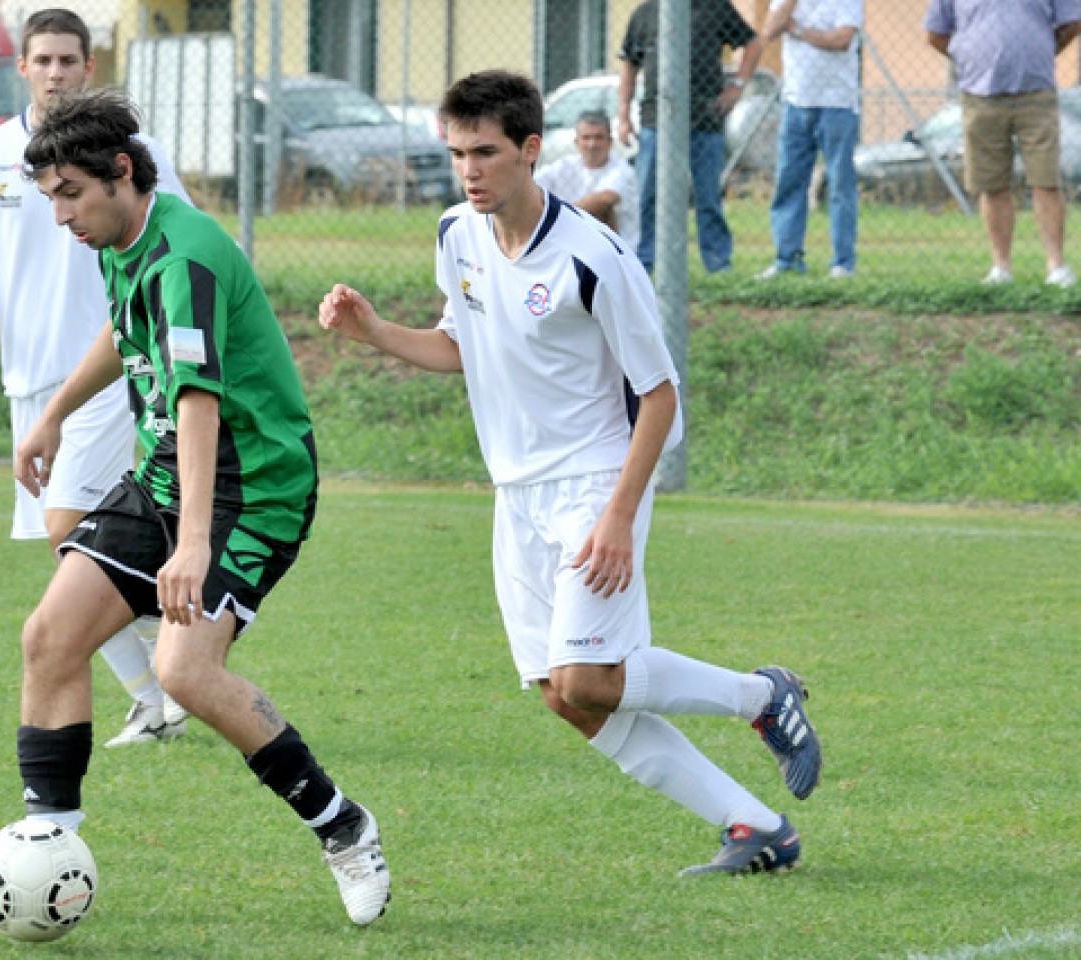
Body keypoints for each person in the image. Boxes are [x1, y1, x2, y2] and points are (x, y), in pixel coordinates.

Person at [319, 70, 823, 877]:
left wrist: (620, 513)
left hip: (596, 480)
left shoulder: (596, 256)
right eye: (456, 154)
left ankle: (762, 697)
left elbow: (659, 397)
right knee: (566, 695)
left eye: (485, 152)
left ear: (530, 150)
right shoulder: (456, 233)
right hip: (515, 493)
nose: (469, 170)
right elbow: (462, 344)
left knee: (588, 674)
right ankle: (754, 826)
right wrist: (374, 330)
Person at [0, 86, 391, 926]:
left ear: (121, 172)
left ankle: (343, 825)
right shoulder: (119, 237)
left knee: (183, 671)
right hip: (169, 470)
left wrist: (193, 545)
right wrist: (55, 412)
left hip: (257, 487)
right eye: (50, 197)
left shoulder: (187, 256)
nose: (61, 216)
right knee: (49, 639)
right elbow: (123, 331)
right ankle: (44, 856)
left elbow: (200, 400)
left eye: (70, 194)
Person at [0, 8, 192, 781]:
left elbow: (184, 241)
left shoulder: (132, 155)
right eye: (43, 60)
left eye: (70, 60)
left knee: (72, 528)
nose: (56, 72)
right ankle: (165, 676)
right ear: (21, 68)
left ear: (88, 67)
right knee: (69, 548)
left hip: (104, 372)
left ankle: (175, 655)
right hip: (26, 378)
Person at [925, 0, 1081, 287]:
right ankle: (1001, 268)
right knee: (991, 183)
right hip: (979, 94)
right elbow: (935, 33)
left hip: (1036, 91)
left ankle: (1056, 268)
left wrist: (1044, 52)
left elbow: (1072, 22)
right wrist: (969, 58)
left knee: (1045, 180)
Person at [617, 0, 764, 274]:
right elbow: (629, 63)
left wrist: (737, 87)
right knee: (647, 196)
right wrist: (623, 115)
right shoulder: (645, 13)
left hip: (706, 120)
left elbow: (753, 44)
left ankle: (718, 264)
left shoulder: (715, 7)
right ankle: (643, 263)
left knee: (708, 197)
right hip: (655, 122)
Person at [756, 0, 864, 280]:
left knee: (840, 184)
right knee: (789, 182)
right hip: (796, 101)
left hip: (837, 103)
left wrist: (798, 30)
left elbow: (842, 39)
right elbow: (768, 30)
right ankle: (786, 259)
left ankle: (843, 262)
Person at [534, 110, 640, 249]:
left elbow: (606, 199)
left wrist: (554, 220)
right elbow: (531, 186)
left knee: (603, 211)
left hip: (616, 250)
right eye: (586, 137)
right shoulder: (564, 165)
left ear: (610, 142)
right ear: (576, 142)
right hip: (570, 244)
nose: (592, 144)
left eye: (598, 137)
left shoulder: (622, 169)